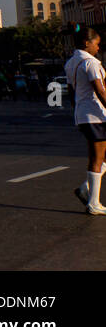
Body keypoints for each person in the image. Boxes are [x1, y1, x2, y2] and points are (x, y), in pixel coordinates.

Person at [65, 24, 106, 214]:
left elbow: (71, 93)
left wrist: (78, 112)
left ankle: (87, 191)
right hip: (96, 115)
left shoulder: (71, 63)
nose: (99, 48)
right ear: (86, 43)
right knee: (97, 159)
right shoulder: (91, 63)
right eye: (96, 44)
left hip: (83, 114)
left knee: (95, 158)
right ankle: (93, 202)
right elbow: (100, 90)